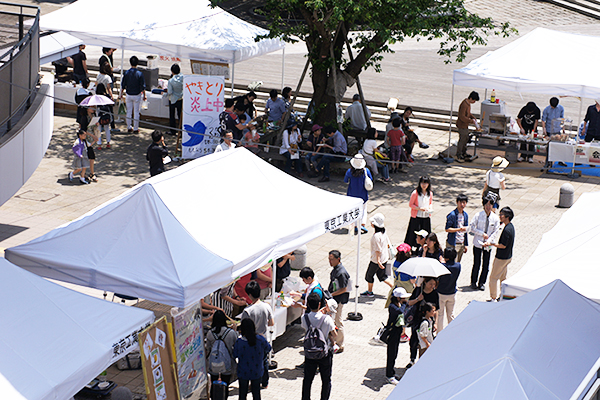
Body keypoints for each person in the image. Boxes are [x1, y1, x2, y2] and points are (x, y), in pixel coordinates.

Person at [301, 292, 336, 400]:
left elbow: (305, 329)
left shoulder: (304, 318)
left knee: (307, 379)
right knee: (326, 380)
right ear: (320, 304)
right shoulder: (327, 319)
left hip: (310, 351)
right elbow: (334, 334)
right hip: (325, 352)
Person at [241, 281, 274, 389]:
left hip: (251, 340)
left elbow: (243, 328)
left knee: (252, 361)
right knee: (263, 361)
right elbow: (271, 323)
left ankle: (254, 382)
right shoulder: (266, 306)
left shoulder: (247, 311)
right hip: (263, 338)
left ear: (250, 294)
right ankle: (265, 382)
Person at [469, 195, 501, 291]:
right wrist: (482, 234)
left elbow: (495, 232)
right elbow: (472, 227)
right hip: (478, 243)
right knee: (476, 263)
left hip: (488, 245)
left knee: (486, 264)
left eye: (490, 205)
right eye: (486, 205)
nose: (488, 207)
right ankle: (473, 282)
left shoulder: (495, 218)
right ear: (483, 205)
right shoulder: (478, 215)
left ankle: (482, 282)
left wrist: (489, 241)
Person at [233, 318, 271, 400]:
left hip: (243, 371)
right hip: (257, 370)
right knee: (256, 393)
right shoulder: (260, 339)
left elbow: (234, 354)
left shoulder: (239, 342)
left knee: (242, 394)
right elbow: (269, 348)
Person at [406, 277, 439, 368]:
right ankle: (412, 360)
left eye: (434, 284)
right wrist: (418, 299)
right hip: (417, 320)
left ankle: (424, 362)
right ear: (425, 282)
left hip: (428, 322)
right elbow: (409, 303)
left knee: (427, 341)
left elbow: (437, 310)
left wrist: (435, 323)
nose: (432, 286)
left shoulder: (435, 294)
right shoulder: (418, 290)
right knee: (414, 340)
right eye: (430, 284)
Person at [485, 206, 515, 302]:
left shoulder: (507, 230)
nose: (500, 216)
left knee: (493, 278)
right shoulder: (511, 227)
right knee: (503, 278)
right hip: (508, 257)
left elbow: (503, 245)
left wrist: (492, 244)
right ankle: (503, 295)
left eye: (501, 215)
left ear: (507, 216)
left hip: (501, 258)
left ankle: (493, 297)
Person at [206, 310, 237, 399]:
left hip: (213, 363)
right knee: (225, 385)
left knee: (213, 382)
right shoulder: (231, 333)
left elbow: (208, 348)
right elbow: (235, 345)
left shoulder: (210, 333)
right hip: (228, 362)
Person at [361, 213, 394, 297]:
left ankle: (370, 291)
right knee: (382, 276)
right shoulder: (383, 233)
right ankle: (394, 288)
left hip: (376, 260)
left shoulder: (376, 236)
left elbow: (377, 250)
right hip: (384, 258)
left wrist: (378, 261)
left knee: (369, 276)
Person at [385, 287, 411, 385]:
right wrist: (404, 305)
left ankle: (392, 372)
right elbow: (400, 312)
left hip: (397, 333)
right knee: (391, 354)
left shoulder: (398, 304)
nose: (405, 299)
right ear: (397, 298)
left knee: (395, 353)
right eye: (403, 298)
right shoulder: (392, 306)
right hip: (392, 333)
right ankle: (389, 375)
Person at [327, 250, 350, 352]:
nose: (330, 262)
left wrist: (331, 294)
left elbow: (344, 288)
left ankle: (340, 344)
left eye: (332, 259)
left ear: (338, 259)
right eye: (329, 259)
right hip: (334, 299)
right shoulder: (336, 269)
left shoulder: (341, 272)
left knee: (338, 321)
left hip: (339, 300)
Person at [344, 154, 372, 235]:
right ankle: (362, 224)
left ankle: (355, 226)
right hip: (362, 194)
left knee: (353, 211)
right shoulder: (366, 171)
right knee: (363, 210)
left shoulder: (349, 171)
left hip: (351, 194)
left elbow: (345, 180)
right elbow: (370, 180)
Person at [404, 176, 433, 250]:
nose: (424, 185)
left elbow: (430, 203)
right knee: (413, 234)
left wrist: (430, 208)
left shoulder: (430, 193)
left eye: (426, 183)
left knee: (426, 233)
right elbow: (411, 204)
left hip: (426, 216)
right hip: (417, 216)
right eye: (422, 183)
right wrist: (419, 208)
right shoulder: (415, 193)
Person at [119, 56, 146, 134]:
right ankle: (136, 128)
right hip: (137, 94)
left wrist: (121, 94)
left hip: (128, 94)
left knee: (129, 111)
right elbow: (143, 86)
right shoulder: (140, 73)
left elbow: (123, 85)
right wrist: (144, 95)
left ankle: (129, 126)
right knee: (136, 112)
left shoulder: (127, 73)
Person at [437, 248, 461, 331]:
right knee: (450, 314)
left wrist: (441, 262)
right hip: (452, 293)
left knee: (440, 315)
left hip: (441, 293)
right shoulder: (458, 266)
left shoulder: (442, 266)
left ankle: (439, 333)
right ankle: (452, 332)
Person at [387, 243, 415, 310]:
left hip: (397, 287)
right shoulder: (409, 266)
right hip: (408, 290)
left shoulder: (396, 263)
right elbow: (412, 280)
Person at [455, 91, 480, 162]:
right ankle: (459, 154)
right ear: (471, 98)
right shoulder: (464, 104)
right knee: (462, 140)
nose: (474, 102)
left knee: (466, 139)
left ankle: (463, 152)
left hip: (465, 125)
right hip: (461, 125)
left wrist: (472, 117)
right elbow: (462, 116)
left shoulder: (468, 104)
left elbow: (468, 113)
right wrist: (471, 121)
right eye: (474, 100)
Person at [445, 194, 469, 262]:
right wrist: (459, 229)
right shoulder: (452, 215)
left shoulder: (465, 215)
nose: (462, 204)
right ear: (457, 202)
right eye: (460, 202)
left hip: (461, 243)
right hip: (453, 243)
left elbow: (466, 230)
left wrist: (466, 244)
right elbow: (447, 229)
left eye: (464, 202)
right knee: (452, 263)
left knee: (458, 263)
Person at [95, 83, 112, 151]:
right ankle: (108, 143)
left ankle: (99, 144)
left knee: (98, 130)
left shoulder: (96, 97)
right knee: (107, 129)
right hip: (106, 114)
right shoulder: (107, 96)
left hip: (99, 114)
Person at [167, 64, 183, 136]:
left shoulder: (171, 81)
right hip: (180, 98)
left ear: (172, 71)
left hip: (173, 99)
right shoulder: (183, 77)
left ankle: (173, 131)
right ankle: (181, 131)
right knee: (180, 116)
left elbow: (169, 92)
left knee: (172, 115)